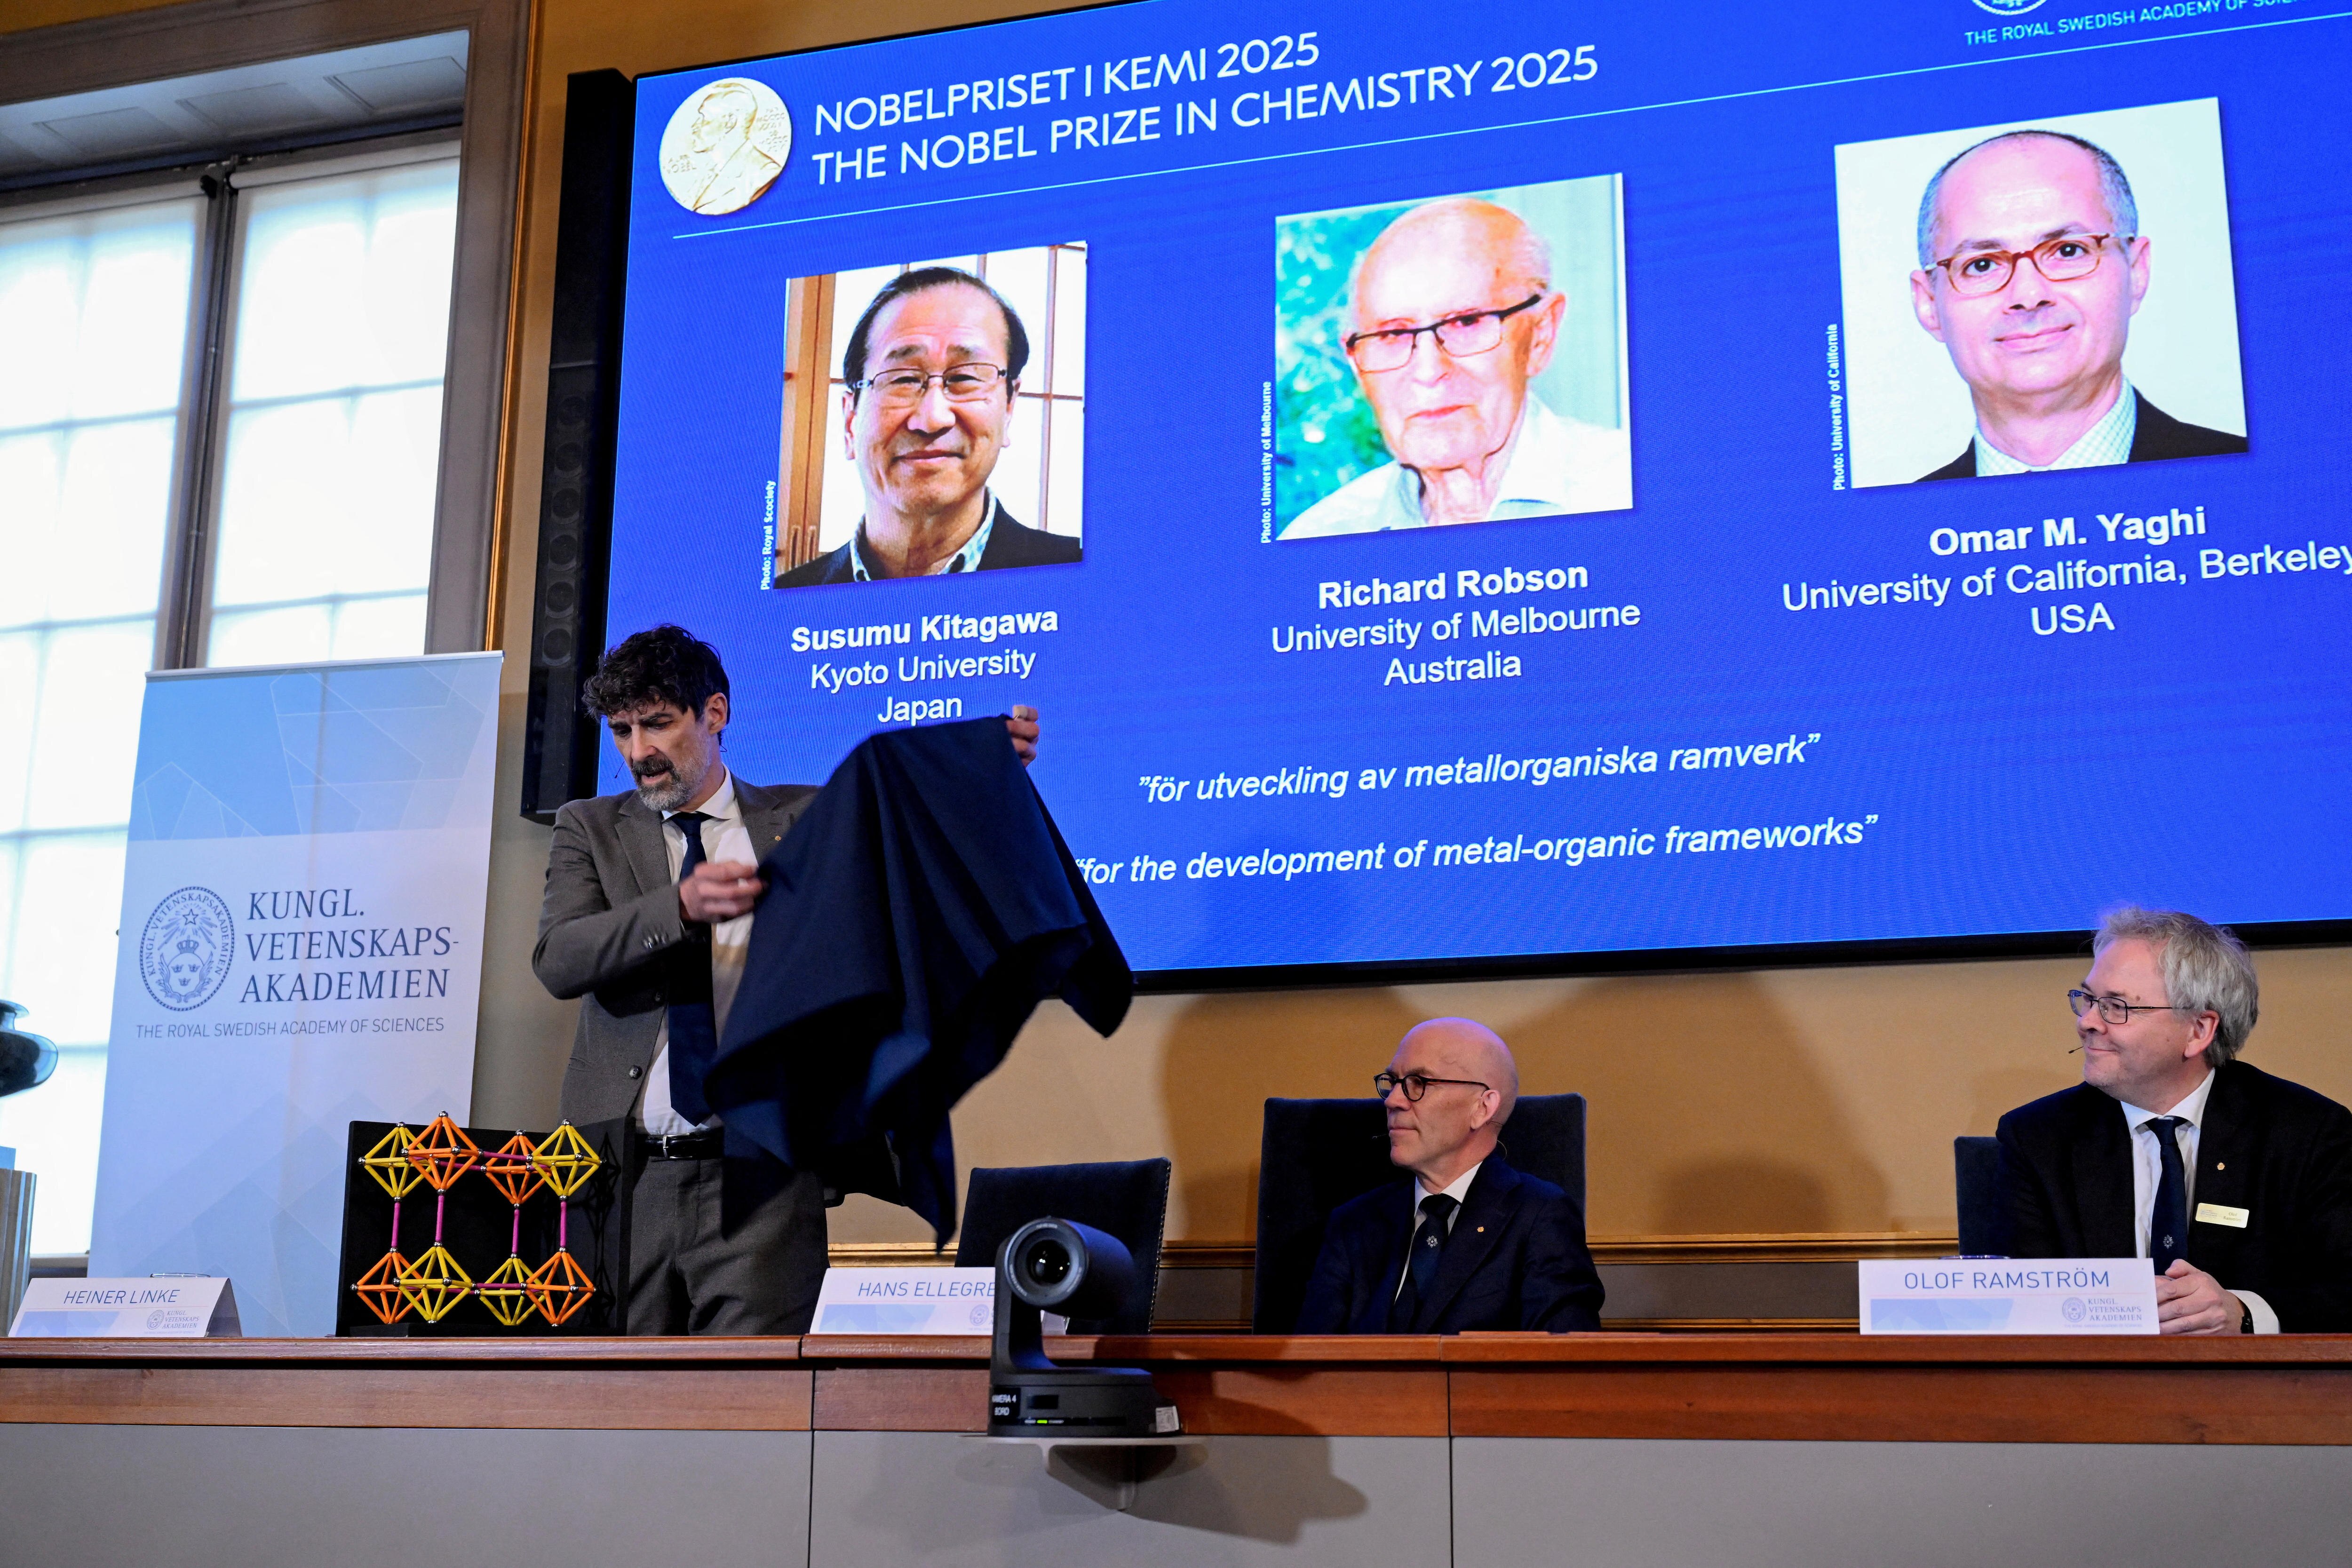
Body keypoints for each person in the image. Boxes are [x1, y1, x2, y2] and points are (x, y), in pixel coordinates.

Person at [532, 624, 1040, 1333]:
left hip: (760, 1180)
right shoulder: (590, 827)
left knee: (755, 1410)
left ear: (714, 714)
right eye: (621, 731)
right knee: (613, 1415)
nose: (638, 752)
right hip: (622, 1181)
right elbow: (559, 956)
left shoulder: (797, 819)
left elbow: (901, 820)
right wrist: (676, 905)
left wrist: (975, 767)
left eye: (657, 723)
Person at [1995, 907, 2352, 1332]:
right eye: (2088, 999)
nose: (2087, 1022)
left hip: (2260, 1391)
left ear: (2199, 1030)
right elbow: (2016, 1304)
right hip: (2095, 1388)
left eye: (2116, 1006)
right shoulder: (2038, 1138)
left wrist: (2244, 1311)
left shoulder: (2308, 1133)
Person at [1281, 196, 1630, 538]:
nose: (1429, 371)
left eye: (1466, 323)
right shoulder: (1319, 537)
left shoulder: (1638, 488)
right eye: (1393, 334)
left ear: (1541, 336)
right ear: (1357, 364)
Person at [1908, 129, 2246, 481]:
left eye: (2068, 251)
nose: (2028, 296)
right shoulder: (1897, 527)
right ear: (1929, 303)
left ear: (2136, 271)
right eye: (1982, 265)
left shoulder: (2258, 481)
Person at [1295, 1017, 1604, 1333]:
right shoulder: (1354, 1224)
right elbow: (1309, 1365)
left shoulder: (1539, 1216)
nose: (1393, 1100)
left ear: (1483, 1107)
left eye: (1419, 1083)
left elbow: (1565, 1368)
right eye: (1393, 1081)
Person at [778, 267, 1082, 585]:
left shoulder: (1082, 578)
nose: (933, 418)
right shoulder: (787, 598)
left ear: (1009, 408)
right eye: (904, 379)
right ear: (851, 419)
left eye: (964, 378)